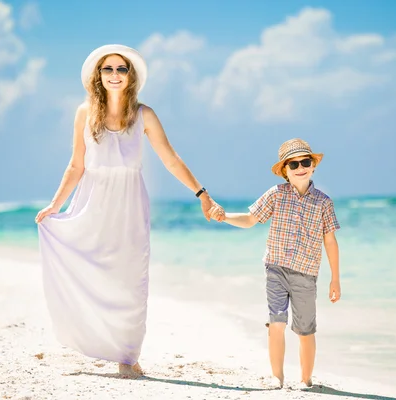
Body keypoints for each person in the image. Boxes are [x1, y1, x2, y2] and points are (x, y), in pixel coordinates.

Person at [34, 44, 218, 378]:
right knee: (95, 272)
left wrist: (201, 193)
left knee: (132, 279)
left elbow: (171, 158)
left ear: (131, 76)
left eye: (122, 69)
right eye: (109, 69)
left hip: (130, 204)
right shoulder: (84, 112)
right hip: (93, 202)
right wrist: (55, 205)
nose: (115, 75)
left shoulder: (144, 114)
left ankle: (128, 355)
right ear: (98, 75)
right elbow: (76, 165)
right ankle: (100, 342)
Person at [209, 138, 341, 389]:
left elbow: (331, 241)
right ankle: (277, 377)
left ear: (313, 166)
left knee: (305, 329)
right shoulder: (276, 195)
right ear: (285, 171)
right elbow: (250, 219)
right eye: (293, 164)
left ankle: (305, 379)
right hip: (276, 268)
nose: (300, 167)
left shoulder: (324, 202)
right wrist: (224, 216)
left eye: (305, 162)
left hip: (306, 273)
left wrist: (335, 278)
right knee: (277, 322)